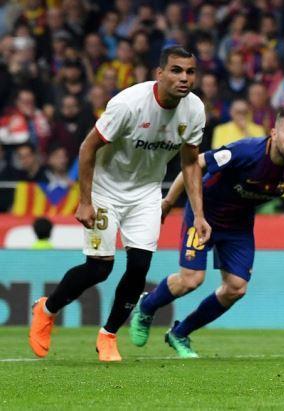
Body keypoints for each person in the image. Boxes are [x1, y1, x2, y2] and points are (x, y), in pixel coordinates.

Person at [28, 46, 211, 362]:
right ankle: (46, 310)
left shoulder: (194, 110)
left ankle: (108, 335)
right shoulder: (128, 104)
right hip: (105, 190)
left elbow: (191, 162)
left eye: (190, 72)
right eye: (176, 70)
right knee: (99, 267)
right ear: (159, 74)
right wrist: (85, 202)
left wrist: (198, 214)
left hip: (146, 193)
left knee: (139, 267)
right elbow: (87, 148)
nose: (184, 78)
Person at [128, 108, 284, 358]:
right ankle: (147, 306)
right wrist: (168, 203)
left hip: (238, 225)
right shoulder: (246, 151)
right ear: (274, 133)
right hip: (203, 214)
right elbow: (194, 164)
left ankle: (180, 333)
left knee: (236, 288)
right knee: (191, 279)